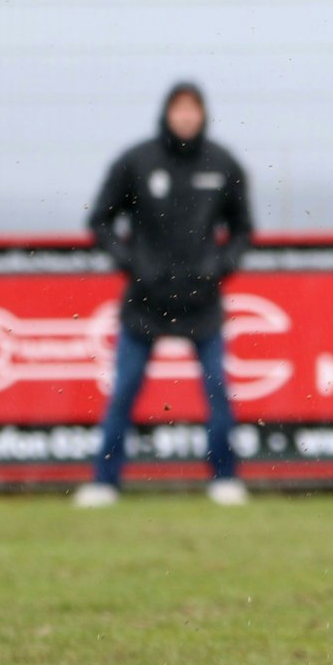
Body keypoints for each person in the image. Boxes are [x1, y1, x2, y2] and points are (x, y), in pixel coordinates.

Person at [74, 82, 254, 507]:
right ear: (167, 113)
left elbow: (243, 230)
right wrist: (132, 263)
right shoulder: (136, 162)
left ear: (203, 114)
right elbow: (100, 222)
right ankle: (104, 482)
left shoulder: (223, 163)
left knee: (217, 391)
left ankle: (225, 478)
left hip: (202, 302)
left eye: (193, 109)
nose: (186, 116)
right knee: (124, 391)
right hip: (146, 301)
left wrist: (219, 267)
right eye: (179, 109)